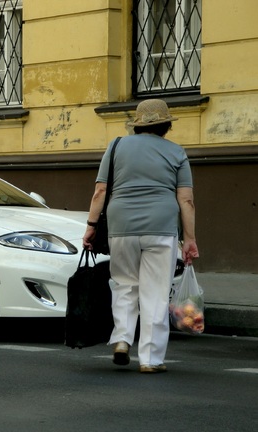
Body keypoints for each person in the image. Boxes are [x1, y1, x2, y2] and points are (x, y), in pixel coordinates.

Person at [83, 99, 199, 374]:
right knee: (156, 292)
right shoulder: (177, 152)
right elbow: (186, 200)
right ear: (166, 125)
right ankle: (150, 359)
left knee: (124, 285)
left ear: (137, 125)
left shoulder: (116, 146)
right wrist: (190, 239)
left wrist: (90, 226)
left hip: (122, 225)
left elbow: (100, 191)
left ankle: (122, 339)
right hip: (162, 228)